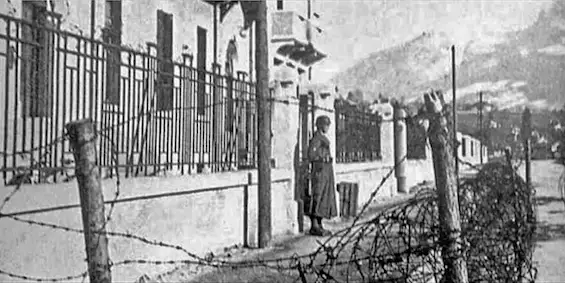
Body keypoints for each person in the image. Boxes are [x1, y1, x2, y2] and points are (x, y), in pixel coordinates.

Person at [307, 115, 338, 236]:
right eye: (326, 124)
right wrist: (322, 158)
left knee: (324, 197)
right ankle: (314, 225)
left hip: (326, 172)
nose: (327, 127)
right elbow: (311, 155)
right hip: (319, 171)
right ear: (320, 125)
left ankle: (319, 225)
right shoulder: (316, 139)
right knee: (318, 196)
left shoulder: (322, 138)